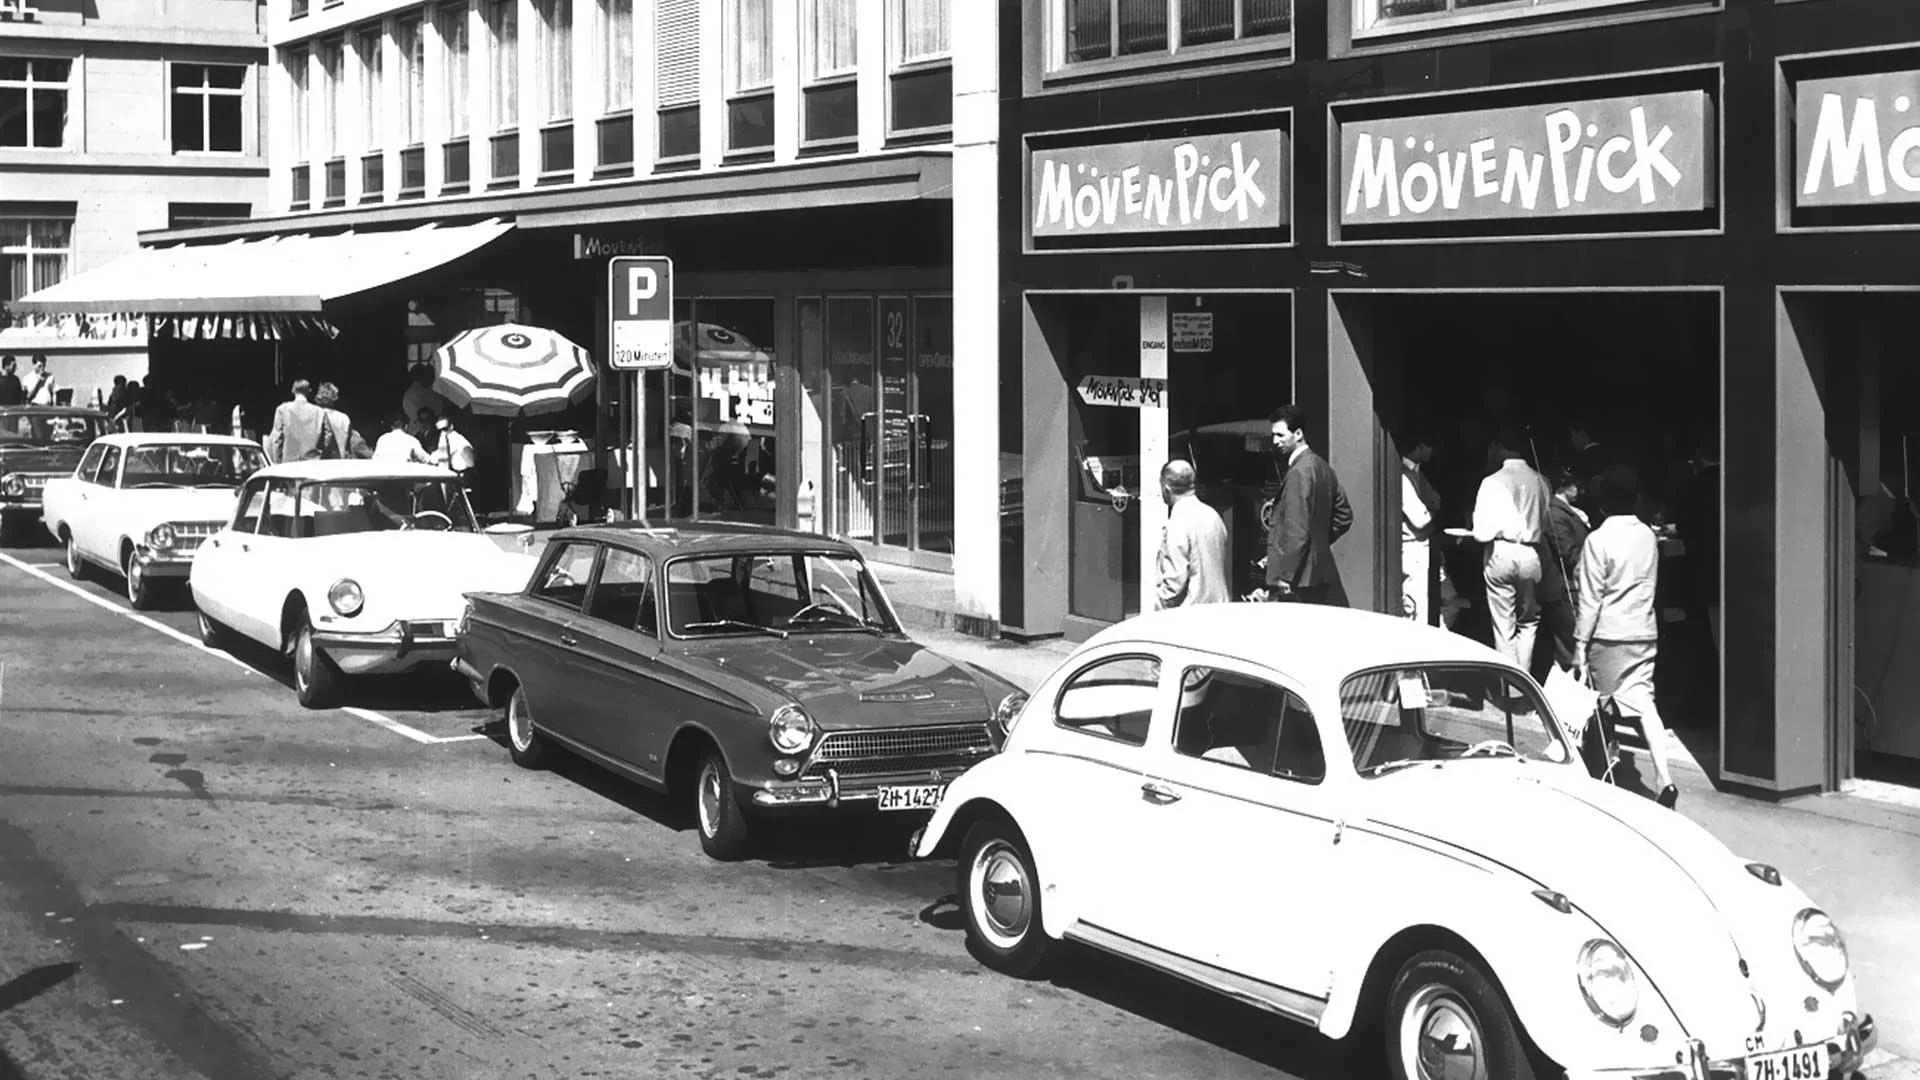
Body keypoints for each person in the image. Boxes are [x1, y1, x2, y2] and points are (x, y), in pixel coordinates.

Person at [1575, 465, 1677, 809]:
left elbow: (1590, 599)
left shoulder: (1597, 540)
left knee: (1602, 708)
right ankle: (1664, 778)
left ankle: (1604, 779)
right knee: (1645, 704)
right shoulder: (1648, 536)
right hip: (1643, 631)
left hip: (1608, 635)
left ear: (1601, 504)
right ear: (1636, 499)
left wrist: (1579, 643)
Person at [1471, 429, 1553, 669]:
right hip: (1531, 553)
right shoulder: (1542, 481)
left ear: (1499, 447)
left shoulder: (1492, 481)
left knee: (1503, 624)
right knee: (1528, 623)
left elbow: (1481, 532)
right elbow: (1546, 522)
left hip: (1502, 551)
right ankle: (1525, 684)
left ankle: (1509, 687)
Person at [1258, 405, 1352, 606]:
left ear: (1298, 434)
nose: (1275, 441)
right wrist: (1317, 543)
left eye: (1281, 435)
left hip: (1298, 580)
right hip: (1318, 573)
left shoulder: (1299, 472)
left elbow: (1297, 529)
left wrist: (1286, 575)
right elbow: (1344, 516)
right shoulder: (1321, 466)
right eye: (1274, 435)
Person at [1154, 459, 1231, 610]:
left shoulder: (1177, 523)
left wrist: (1157, 605)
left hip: (1191, 614)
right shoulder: (1212, 515)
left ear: (1166, 487)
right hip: (1219, 607)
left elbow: (1174, 583)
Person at [1401, 433, 1444, 625]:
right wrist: (1430, 511)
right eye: (1430, 446)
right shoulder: (1402, 475)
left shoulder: (1417, 473)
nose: (1433, 452)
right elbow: (1421, 519)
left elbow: (1437, 500)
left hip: (1424, 545)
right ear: (1419, 446)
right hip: (1412, 548)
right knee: (1417, 607)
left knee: (1438, 604)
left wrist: (1429, 508)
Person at [266, 379, 326, 463]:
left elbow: (277, 439)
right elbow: (326, 439)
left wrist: (277, 462)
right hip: (313, 462)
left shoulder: (282, 410)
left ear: (293, 390)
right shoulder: (320, 412)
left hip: (289, 462)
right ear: (309, 391)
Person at [313, 382, 372, 459]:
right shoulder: (344, 417)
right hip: (340, 461)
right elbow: (352, 442)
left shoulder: (314, 416)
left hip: (319, 461)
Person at [430, 415, 477, 485]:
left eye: (445, 429)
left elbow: (470, 462)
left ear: (451, 426)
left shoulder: (454, 438)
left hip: (460, 477)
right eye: (439, 430)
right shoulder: (443, 438)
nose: (442, 432)